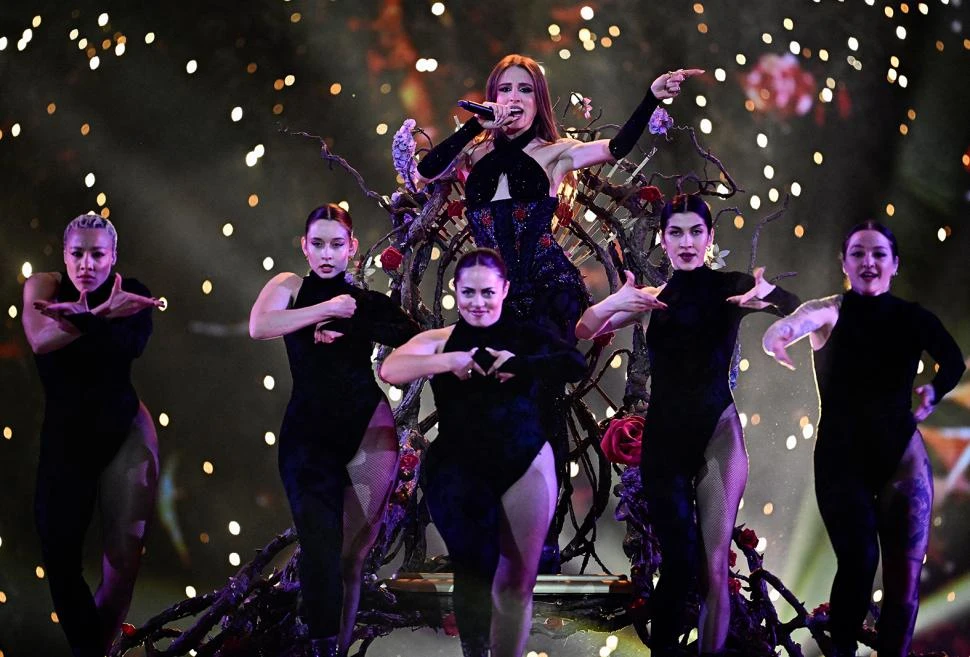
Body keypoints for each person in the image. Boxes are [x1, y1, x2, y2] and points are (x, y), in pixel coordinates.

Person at [417, 53, 703, 568]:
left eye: (525, 90)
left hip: (548, 288)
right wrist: (472, 128)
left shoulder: (554, 153)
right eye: (505, 88)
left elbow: (615, 148)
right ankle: (492, 530)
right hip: (495, 298)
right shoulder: (474, 155)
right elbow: (426, 169)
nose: (513, 98)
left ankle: (542, 539)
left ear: (538, 101)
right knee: (487, 407)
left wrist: (650, 96)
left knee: (541, 405)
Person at [576, 195, 800, 656]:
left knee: (714, 568)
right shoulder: (653, 299)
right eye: (675, 232)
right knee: (679, 566)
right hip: (665, 445)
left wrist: (769, 296)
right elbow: (584, 328)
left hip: (718, 436)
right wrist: (614, 302)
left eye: (695, 232)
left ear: (709, 237)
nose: (685, 241)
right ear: (663, 239)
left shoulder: (732, 286)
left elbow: (792, 307)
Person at [762, 221, 965, 657]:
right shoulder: (830, 311)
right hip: (841, 460)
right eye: (858, 253)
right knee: (858, 562)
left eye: (878, 254)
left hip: (902, 459)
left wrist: (936, 388)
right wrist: (776, 337)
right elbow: (794, 324)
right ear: (844, 263)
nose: (868, 262)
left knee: (904, 584)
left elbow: (952, 360)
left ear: (894, 263)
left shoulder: (914, 318)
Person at [379, 248, 586, 657]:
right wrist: (448, 360)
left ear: (505, 290)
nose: (478, 303)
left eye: (488, 293)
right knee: (472, 578)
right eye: (469, 293)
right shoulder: (441, 340)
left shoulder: (528, 334)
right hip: (458, 472)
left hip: (524, 462)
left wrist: (521, 365)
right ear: (456, 291)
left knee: (516, 582)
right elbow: (391, 368)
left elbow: (573, 364)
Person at [249, 204, 419, 657]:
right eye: (318, 244)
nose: (326, 254)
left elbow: (409, 332)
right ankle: (320, 644)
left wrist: (349, 321)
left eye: (336, 244)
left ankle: (335, 651)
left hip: (367, 431)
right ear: (303, 246)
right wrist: (324, 310)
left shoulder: (364, 301)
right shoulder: (289, 285)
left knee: (351, 558)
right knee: (319, 547)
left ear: (352, 248)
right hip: (307, 437)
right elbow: (259, 325)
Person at [22, 213, 163, 657]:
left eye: (97, 255)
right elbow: (41, 339)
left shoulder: (134, 294)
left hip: (123, 430)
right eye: (77, 253)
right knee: (60, 560)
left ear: (112, 257)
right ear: (64, 253)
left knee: (122, 563)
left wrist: (88, 318)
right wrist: (96, 314)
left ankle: (101, 651)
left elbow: (125, 347)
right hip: (66, 440)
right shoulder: (43, 287)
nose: (86, 264)